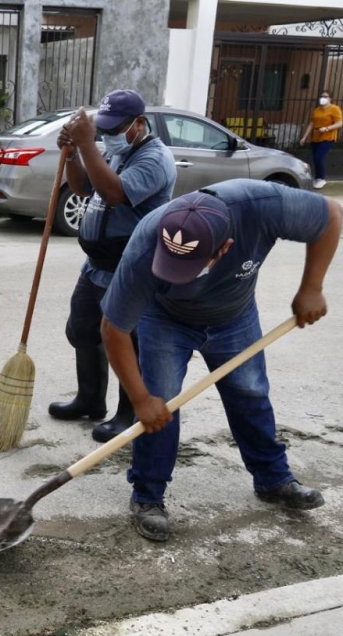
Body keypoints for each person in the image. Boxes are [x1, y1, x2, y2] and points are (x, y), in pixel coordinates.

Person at [99, 179, 342, 542]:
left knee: (250, 392)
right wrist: (140, 399)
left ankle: (274, 479)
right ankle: (148, 495)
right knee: (159, 401)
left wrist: (312, 287)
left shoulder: (263, 205)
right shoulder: (146, 243)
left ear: (225, 246)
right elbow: (113, 330)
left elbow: (331, 216)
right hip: (165, 319)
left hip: (235, 316)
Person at [48, 89, 177, 443]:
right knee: (82, 329)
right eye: (101, 130)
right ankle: (90, 399)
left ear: (139, 124)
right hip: (96, 263)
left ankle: (129, 412)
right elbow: (84, 189)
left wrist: (88, 144)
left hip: (130, 264)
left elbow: (115, 193)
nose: (107, 136)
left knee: (126, 339)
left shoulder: (154, 158)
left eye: (113, 129)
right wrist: (74, 155)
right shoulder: (114, 151)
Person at [299, 89, 342, 190]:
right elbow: (311, 124)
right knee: (315, 158)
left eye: (325, 96)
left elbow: (339, 123)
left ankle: (321, 178)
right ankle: (317, 178)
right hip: (316, 138)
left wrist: (327, 128)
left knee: (319, 157)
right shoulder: (317, 110)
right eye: (322, 96)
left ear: (330, 98)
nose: (323, 98)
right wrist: (304, 137)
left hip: (328, 138)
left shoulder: (334, 109)